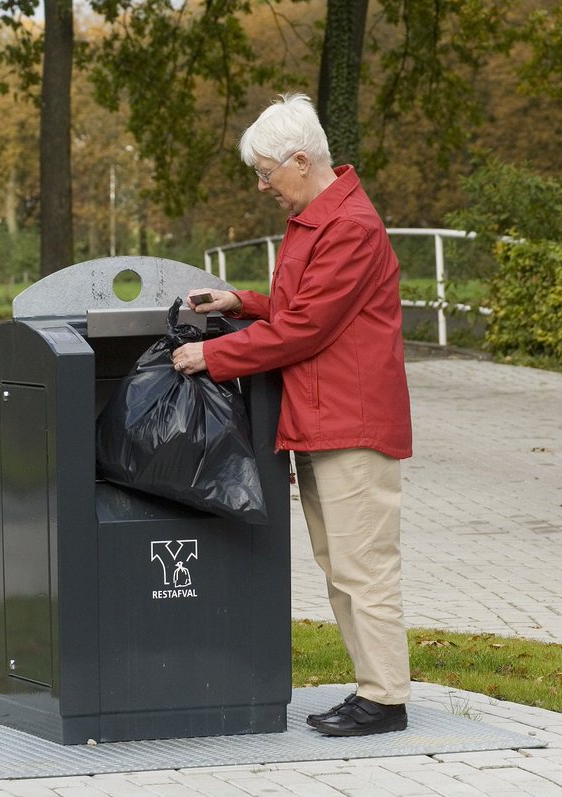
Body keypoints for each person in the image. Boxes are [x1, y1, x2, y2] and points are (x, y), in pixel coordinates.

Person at [170, 92, 412, 737]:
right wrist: (240, 302)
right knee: (341, 566)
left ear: (300, 161)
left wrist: (212, 356)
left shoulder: (351, 226)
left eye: (266, 172)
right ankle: (372, 691)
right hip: (322, 417)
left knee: (364, 566)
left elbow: (305, 328)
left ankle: (386, 699)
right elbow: (294, 306)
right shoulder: (318, 219)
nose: (262, 186)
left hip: (352, 423)